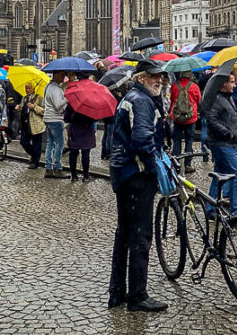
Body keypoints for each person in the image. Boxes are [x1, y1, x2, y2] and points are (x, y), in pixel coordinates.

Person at [108, 59, 168, 312]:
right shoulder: (141, 101)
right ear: (141, 78)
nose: (160, 81)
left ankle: (117, 292)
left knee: (124, 234)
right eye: (154, 77)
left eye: (162, 77)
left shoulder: (132, 97)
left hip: (123, 172)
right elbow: (143, 140)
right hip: (136, 174)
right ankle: (137, 295)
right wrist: (156, 170)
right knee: (140, 235)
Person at [205, 71, 237, 216]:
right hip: (221, 143)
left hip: (227, 142)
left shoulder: (228, 98)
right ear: (223, 84)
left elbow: (227, 115)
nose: (235, 85)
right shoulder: (216, 99)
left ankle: (210, 208)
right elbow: (212, 120)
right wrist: (227, 132)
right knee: (236, 174)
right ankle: (236, 211)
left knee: (218, 175)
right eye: (232, 82)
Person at [65, 87, 97, 182]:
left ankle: (74, 175)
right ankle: (86, 176)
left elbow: (66, 118)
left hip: (75, 130)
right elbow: (95, 118)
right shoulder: (92, 102)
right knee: (85, 153)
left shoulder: (72, 102)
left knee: (74, 153)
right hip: (87, 131)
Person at [170, 69, 201, 164]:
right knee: (189, 140)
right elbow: (199, 100)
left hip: (177, 117)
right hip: (190, 118)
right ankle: (188, 164)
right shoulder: (194, 86)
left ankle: (176, 162)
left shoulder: (174, 85)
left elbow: (171, 99)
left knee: (177, 140)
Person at [43, 71, 70, 178]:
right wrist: (67, 98)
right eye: (62, 76)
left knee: (50, 144)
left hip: (48, 118)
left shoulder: (48, 87)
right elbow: (58, 105)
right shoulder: (55, 89)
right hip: (55, 118)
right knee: (59, 144)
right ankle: (57, 168)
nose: (63, 79)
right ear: (57, 75)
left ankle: (48, 168)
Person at [21, 81, 46, 169]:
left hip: (36, 124)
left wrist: (34, 107)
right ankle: (34, 155)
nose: (27, 90)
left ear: (34, 89)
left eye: (29, 88)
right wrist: (19, 108)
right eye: (26, 88)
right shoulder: (24, 98)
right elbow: (23, 108)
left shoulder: (39, 98)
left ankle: (35, 161)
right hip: (26, 123)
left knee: (36, 144)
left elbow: (44, 111)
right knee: (23, 141)